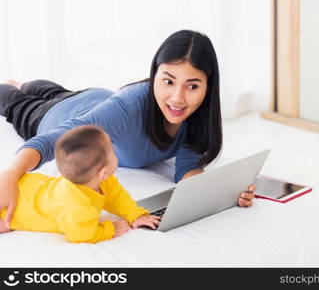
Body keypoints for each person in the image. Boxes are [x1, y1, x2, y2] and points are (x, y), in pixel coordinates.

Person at [0, 30, 256, 230]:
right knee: (15, 102)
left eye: (192, 86)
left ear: (208, 88)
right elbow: (52, 140)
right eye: (168, 81)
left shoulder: (194, 117)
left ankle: (26, 83)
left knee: (50, 91)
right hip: (55, 117)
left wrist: (224, 192)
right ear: (154, 74)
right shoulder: (130, 106)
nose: (178, 98)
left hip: (92, 98)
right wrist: (11, 175)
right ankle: (16, 88)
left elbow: (187, 170)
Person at [0, 125, 160, 243]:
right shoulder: (77, 207)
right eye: (111, 149)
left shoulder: (105, 180)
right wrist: (111, 229)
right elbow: (81, 234)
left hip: (30, 189)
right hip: (11, 203)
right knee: (5, 225)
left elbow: (118, 198)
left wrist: (135, 215)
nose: (115, 150)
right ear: (103, 171)